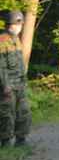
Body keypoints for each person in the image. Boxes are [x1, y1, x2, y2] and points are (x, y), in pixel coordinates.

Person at [0, 10, 31, 148]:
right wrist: (5, 85)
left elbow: (19, 63)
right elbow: (0, 66)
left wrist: (24, 81)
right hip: (8, 85)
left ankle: (21, 139)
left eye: (20, 24)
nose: (20, 27)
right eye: (17, 24)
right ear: (10, 25)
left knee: (23, 112)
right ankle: (5, 141)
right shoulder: (2, 40)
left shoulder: (16, 39)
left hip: (20, 83)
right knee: (7, 114)